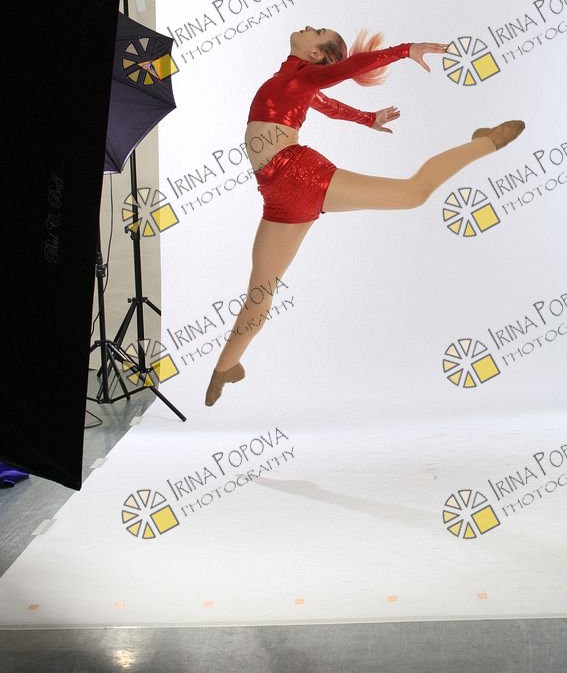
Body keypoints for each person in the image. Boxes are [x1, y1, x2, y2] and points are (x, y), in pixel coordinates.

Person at [205, 25, 524, 406]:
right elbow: (329, 106)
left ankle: (486, 142)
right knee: (260, 290)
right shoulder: (293, 80)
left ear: (317, 54)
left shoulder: (302, 76)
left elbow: (350, 67)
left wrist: (406, 49)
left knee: (413, 192)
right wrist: (368, 119)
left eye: (317, 31)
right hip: (277, 196)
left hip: (299, 175)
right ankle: (227, 367)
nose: (308, 27)